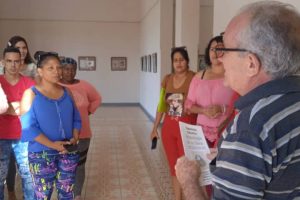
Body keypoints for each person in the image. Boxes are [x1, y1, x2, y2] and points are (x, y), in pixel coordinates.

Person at [175, 1, 300, 199]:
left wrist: (189, 181)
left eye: (225, 50)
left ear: (251, 63)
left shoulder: (250, 129)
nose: (220, 58)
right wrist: (233, 157)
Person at [20, 51, 81, 199]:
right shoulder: (31, 94)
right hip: (41, 154)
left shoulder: (67, 92)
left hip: (68, 151)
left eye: (58, 67)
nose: (57, 71)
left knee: (67, 193)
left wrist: (74, 138)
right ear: (40, 71)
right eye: (51, 68)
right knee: (42, 195)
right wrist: (54, 146)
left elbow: (76, 119)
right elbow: (28, 128)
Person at [150, 46, 196, 200]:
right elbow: (162, 105)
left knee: (186, 169)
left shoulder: (195, 78)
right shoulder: (167, 79)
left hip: (187, 127)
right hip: (169, 127)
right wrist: (155, 127)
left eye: (181, 60)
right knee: (174, 168)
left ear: (187, 61)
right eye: (175, 60)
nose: (178, 63)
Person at [59, 57, 102, 200]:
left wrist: (88, 111)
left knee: (79, 165)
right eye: (66, 69)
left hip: (83, 133)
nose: (70, 72)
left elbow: (97, 98)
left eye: (72, 69)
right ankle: (65, 192)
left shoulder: (84, 85)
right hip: (62, 136)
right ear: (61, 70)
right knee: (64, 166)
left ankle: (77, 194)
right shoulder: (55, 86)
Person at [185, 35, 237, 148]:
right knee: (202, 164)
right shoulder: (199, 77)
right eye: (212, 49)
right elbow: (188, 104)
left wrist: (222, 109)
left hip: (227, 131)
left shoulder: (234, 76)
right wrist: (203, 110)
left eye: (219, 48)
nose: (215, 52)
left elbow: (240, 105)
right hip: (201, 133)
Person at [0, 47, 35, 200]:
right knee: (0, 177)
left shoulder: (29, 83)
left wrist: (7, 107)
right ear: (3, 62)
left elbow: (31, 109)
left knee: (28, 176)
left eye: (16, 61)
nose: (13, 65)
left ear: (21, 63)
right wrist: (19, 106)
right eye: (9, 61)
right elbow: (19, 108)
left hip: (24, 137)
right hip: (1, 136)